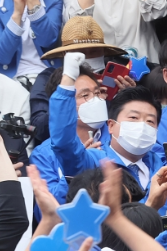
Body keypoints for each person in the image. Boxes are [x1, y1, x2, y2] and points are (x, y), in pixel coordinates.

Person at [50, 53, 167, 213]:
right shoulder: (93, 163)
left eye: (150, 121)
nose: (142, 126)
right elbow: (64, 143)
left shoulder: (164, 167)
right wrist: (67, 81)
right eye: (133, 118)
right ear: (111, 126)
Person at [30, 16, 131, 145]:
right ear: (65, 54)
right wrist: (66, 97)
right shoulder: (47, 78)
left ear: (104, 52)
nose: (87, 56)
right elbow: (39, 128)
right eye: (80, 52)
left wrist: (126, 98)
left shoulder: (118, 78)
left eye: (94, 51)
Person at [29, 64, 108, 209]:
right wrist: (75, 168)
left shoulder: (119, 139)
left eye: (97, 93)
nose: (95, 100)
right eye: (85, 95)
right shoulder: (43, 154)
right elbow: (45, 212)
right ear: (63, 104)